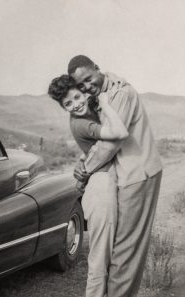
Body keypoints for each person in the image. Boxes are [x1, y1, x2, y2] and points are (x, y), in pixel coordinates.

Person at [67, 55, 163, 297]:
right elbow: (98, 141)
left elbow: (111, 145)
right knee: (115, 247)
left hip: (137, 174)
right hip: (119, 174)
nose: (87, 86)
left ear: (98, 69)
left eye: (89, 79)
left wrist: (84, 173)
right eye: (81, 85)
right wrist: (83, 162)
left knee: (125, 251)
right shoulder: (101, 95)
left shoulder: (122, 94)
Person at [48, 74, 128, 297]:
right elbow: (117, 135)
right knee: (100, 260)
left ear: (83, 91)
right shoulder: (81, 122)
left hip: (107, 179)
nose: (76, 104)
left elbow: (101, 78)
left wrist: (114, 78)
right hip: (100, 185)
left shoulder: (93, 103)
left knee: (114, 255)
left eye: (76, 96)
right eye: (68, 104)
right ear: (64, 108)